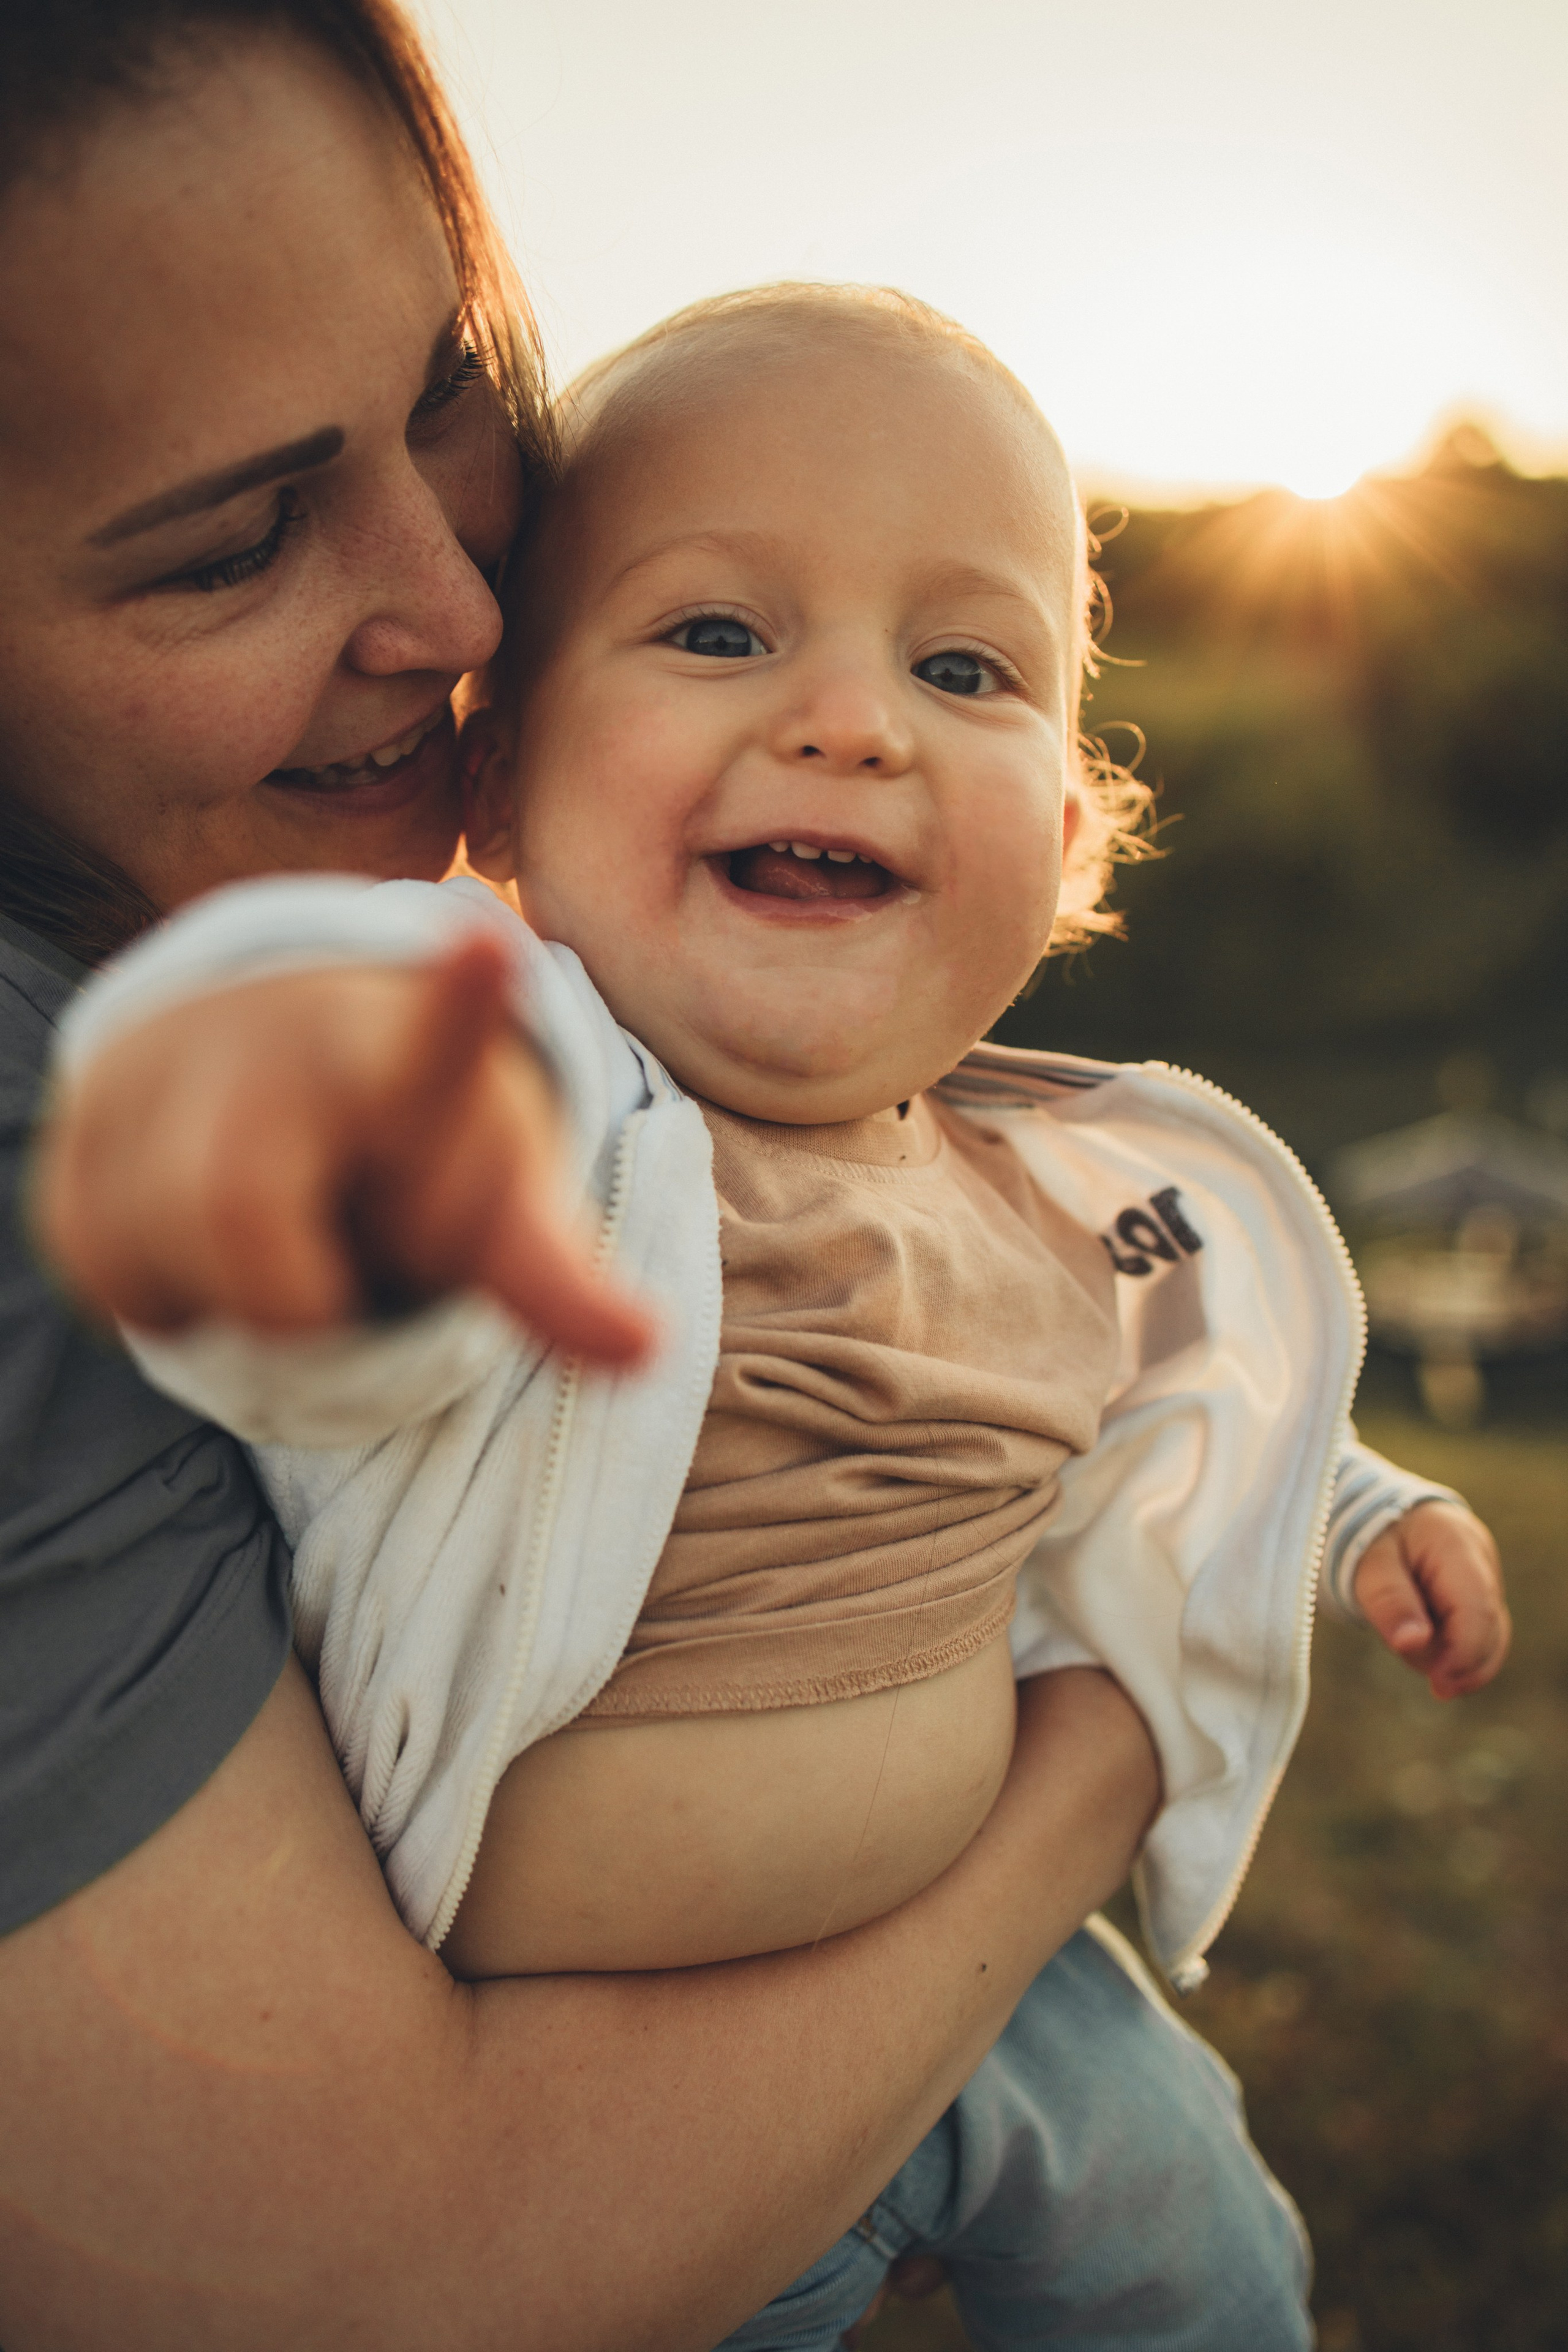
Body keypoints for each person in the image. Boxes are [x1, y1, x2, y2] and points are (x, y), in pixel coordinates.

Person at [38, 287, 1510, 2348]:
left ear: (1068, 842)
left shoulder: (1054, 1196)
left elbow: (1203, 1392)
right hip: (559, 2079)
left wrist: (1353, 1515)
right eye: (719, 632)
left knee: (1217, 2278)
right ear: (499, 777)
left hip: (993, 1995)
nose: (850, 720)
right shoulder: (537, 1096)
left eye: (964, 667)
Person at [0, 11, 1185, 2349]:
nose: (456, 608)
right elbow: (349, 2274)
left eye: (454, 380)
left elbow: (1235, 1346)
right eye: (235, 537)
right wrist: (1121, 1740)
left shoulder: (1050, 1157)